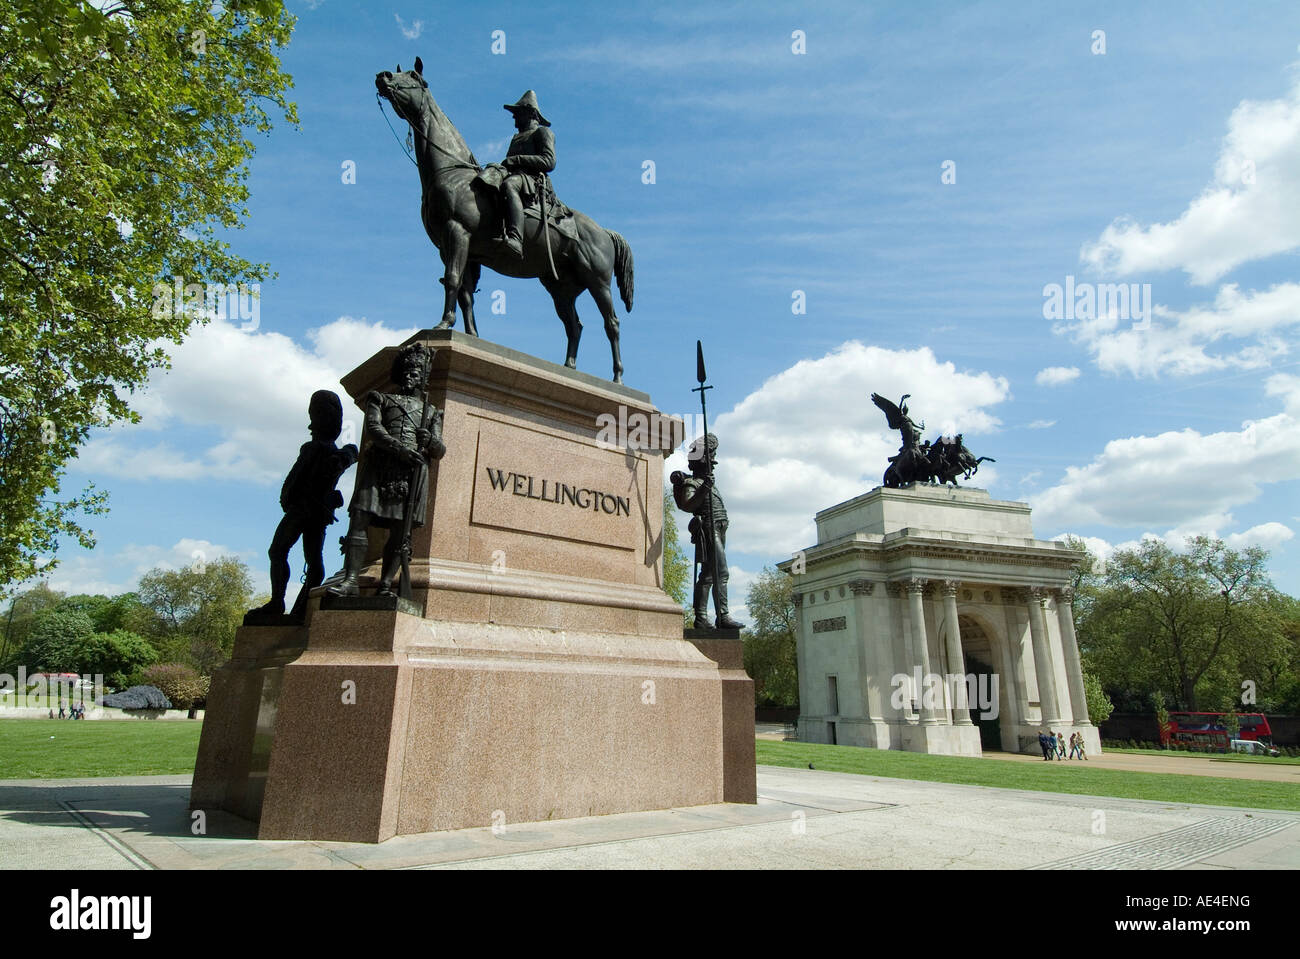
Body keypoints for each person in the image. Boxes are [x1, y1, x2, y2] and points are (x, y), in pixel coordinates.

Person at [328, 344, 446, 598]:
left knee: (400, 529)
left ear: (423, 377)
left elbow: (440, 449)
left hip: (411, 472)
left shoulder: (432, 411)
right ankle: (350, 581)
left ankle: (385, 585)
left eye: (415, 371)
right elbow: (373, 427)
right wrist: (399, 449)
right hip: (380, 465)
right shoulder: (380, 398)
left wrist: (429, 441)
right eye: (406, 369)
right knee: (359, 519)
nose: (409, 374)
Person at [247, 391, 358, 624]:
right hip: (312, 510)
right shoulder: (325, 450)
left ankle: (282, 603)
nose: (310, 424)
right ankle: (297, 606)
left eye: (315, 416)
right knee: (311, 558)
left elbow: (302, 478)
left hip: (305, 509)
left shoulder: (319, 449)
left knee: (280, 551)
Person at [671, 433, 744, 631]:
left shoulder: (709, 482)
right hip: (709, 528)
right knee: (720, 572)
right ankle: (721, 616)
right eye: (710, 459)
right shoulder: (693, 484)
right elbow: (687, 505)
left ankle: (703, 618)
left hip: (720, 528)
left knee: (709, 574)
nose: (712, 464)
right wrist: (704, 489)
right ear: (702, 462)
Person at [492, 90, 556, 258]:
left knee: (509, 185)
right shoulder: (516, 138)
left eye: (517, 113)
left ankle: (515, 239)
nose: (514, 118)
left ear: (530, 113)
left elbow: (549, 161)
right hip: (514, 174)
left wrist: (517, 159)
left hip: (531, 181)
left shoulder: (542, 133)